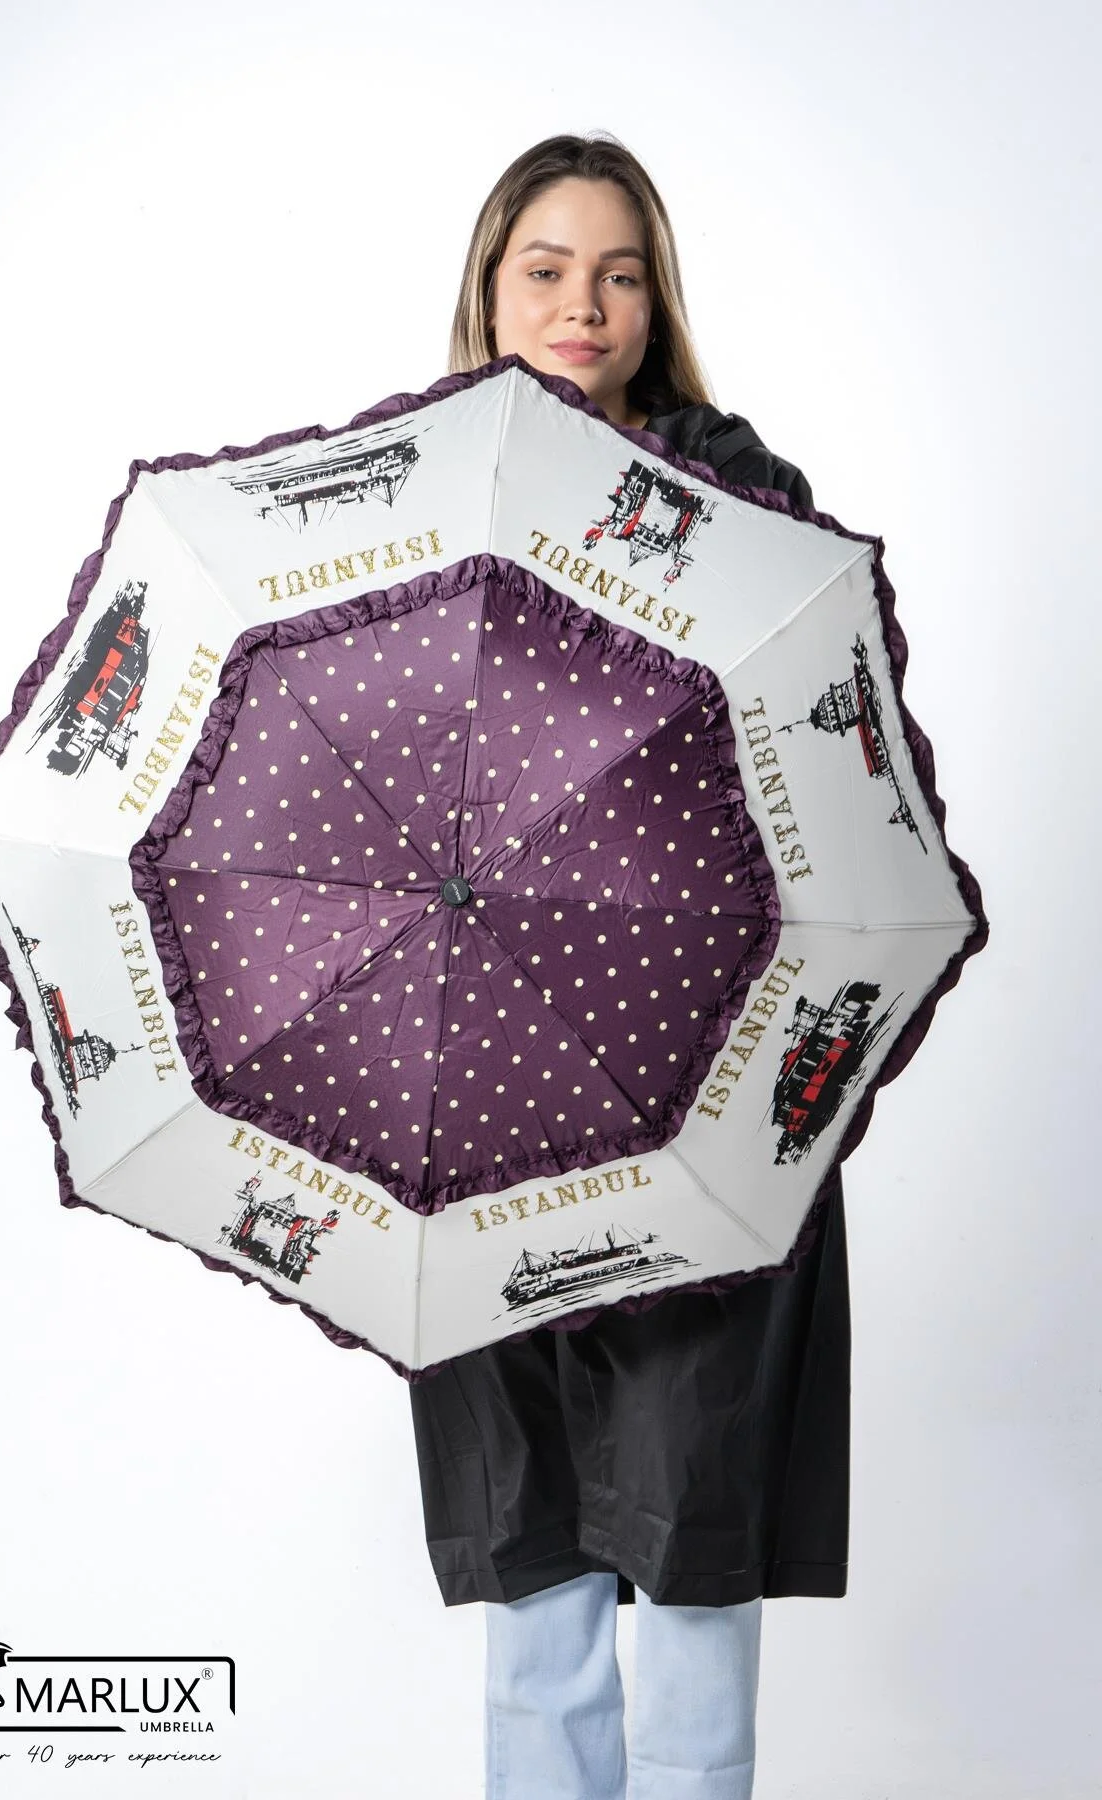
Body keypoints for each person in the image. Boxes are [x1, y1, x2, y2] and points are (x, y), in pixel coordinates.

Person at [408, 132, 851, 1800]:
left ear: (658, 301)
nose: (581, 306)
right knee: (534, 1583)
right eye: (546, 269)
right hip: (488, 1088)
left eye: (618, 273)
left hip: (706, 1083)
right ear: (490, 286)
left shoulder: (746, 505)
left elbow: (817, 771)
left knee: (694, 1556)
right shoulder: (412, 500)